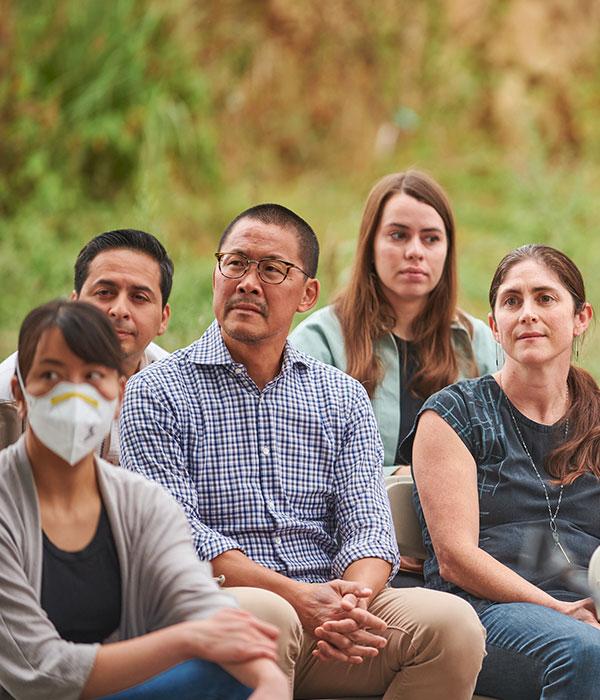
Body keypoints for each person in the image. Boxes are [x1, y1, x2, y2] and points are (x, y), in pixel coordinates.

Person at [120, 203, 486, 699]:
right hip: (217, 606)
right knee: (269, 615)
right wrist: (298, 598)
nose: (249, 283)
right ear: (215, 275)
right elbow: (176, 534)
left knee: (453, 626)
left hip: (332, 612)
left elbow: (369, 527)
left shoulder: (341, 396)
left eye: (272, 270)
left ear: (307, 294)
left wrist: (350, 605)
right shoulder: (157, 391)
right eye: (235, 264)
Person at [0, 299, 287, 700]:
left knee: (232, 674)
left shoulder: (143, 502)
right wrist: (186, 640)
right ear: (19, 392)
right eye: (51, 375)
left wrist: (269, 679)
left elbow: (199, 602)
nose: (74, 396)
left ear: (120, 393)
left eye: (93, 376)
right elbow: (41, 671)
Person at [403, 244, 600, 699]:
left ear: (581, 318)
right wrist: (560, 610)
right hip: (484, 613)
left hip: (588, 608)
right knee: (586, 652)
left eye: (545, 298)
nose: (527, 313)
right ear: (495, 325)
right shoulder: (453, 414)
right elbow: (455, 558)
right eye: (512, 301)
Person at [290, 170, 496, 475]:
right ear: (370, 245)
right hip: (348, 506)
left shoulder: (478, 342)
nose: (415, 252)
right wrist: (398, 477)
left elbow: (507, 458)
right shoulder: (318, 342)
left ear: (447, 250)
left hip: (462, 506)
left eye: (431, 239)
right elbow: (294, 458)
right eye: (398, 235)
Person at [0, 229, 172, 462]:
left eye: (139, 297)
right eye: (104, 293)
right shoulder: (12, 388)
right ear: (74, 304)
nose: (119, 310)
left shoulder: (174, 389)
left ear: (163, 318)